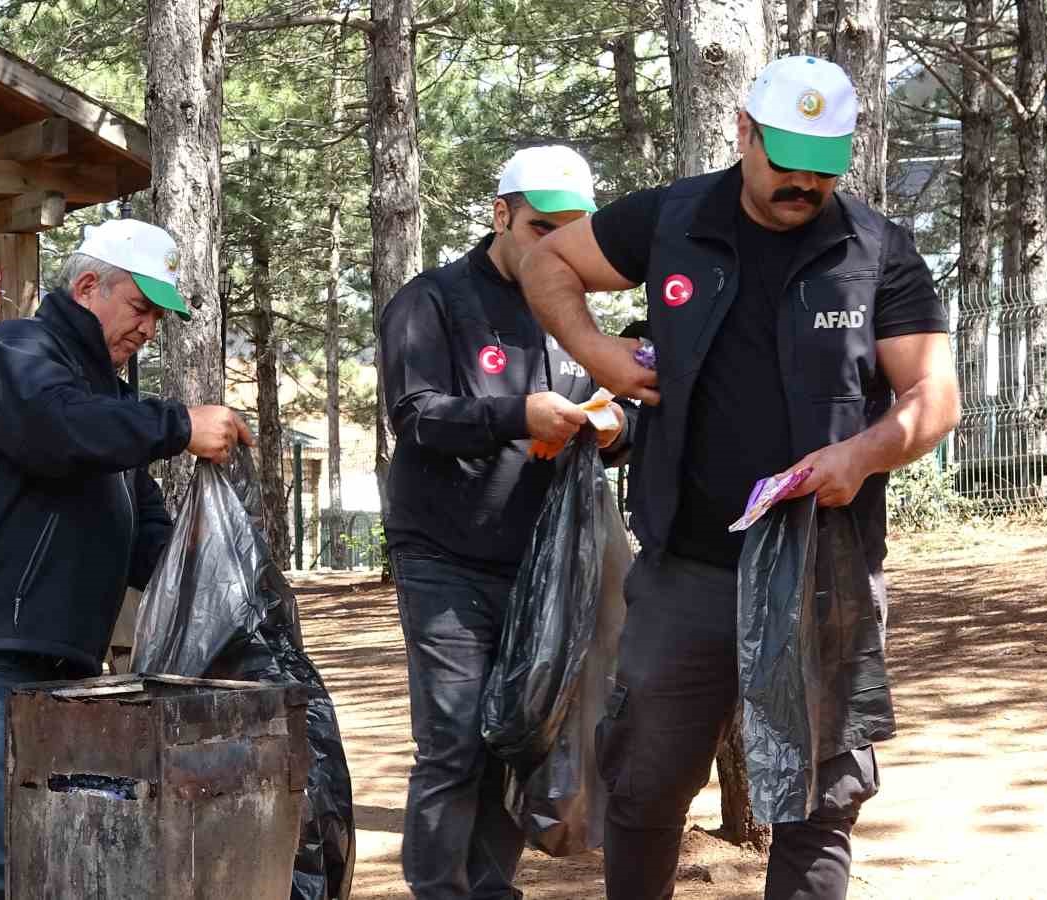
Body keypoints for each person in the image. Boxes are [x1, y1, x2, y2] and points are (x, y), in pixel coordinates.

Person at [519, 57, 962, 900]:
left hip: (821, 575)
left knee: (818, 806)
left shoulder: (878, 250)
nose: (801, 182)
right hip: (688, 567)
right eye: (784, 158)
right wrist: (602, 353)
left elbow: (932, 396)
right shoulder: (670, 218)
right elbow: (550, 268)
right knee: (644, 788)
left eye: (822, 167)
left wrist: (862, 455)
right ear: (744, 133)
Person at [0, 219, 254, 900]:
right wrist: (177, 426)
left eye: (157, 318)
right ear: (88, 287)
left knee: (55, 857)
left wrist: (217, 588)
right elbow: (55, 432)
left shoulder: (109, 407)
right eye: (140, 309)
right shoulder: (15, 352)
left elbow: (145, 531)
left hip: (64, 665)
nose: (148, 330)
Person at [381, 145, 632, 900]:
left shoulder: (574, 315)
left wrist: (616, 426)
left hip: (541, 567)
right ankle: (439, 891)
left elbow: (626, 413)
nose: (553, 246)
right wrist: (515, 416)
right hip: (442, 556)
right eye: (538, 227)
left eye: (570, 234)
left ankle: (492, 890)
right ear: (501, 216)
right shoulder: (431, 301)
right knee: (453, 741)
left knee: (516, 735)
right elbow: (416, 416)